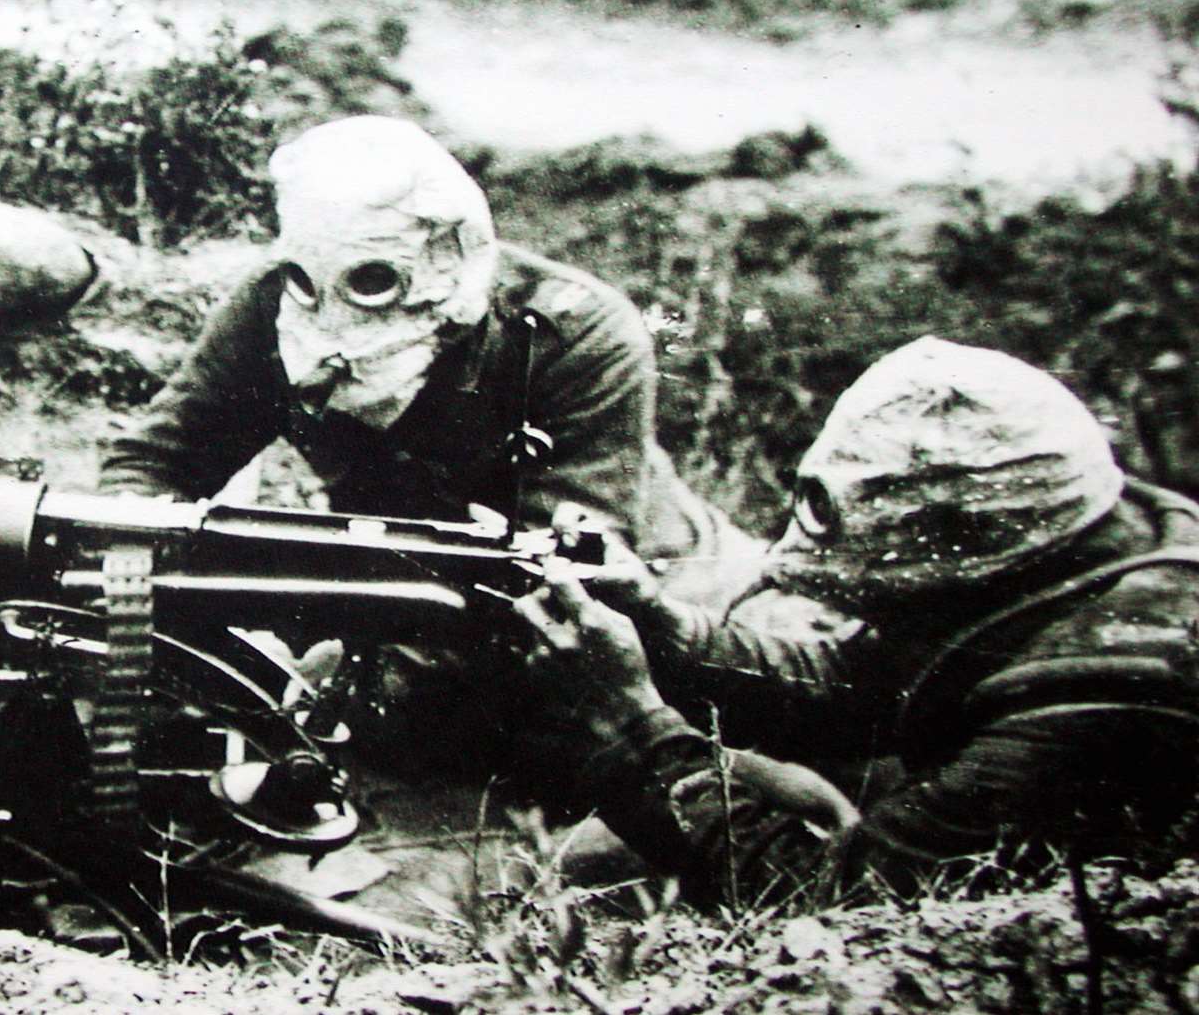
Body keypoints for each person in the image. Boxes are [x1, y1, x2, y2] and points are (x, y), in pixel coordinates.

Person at [513, 337, 1199, 905]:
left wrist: (629, 729)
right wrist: (665, 632)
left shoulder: (1118, 683)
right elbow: (868, 679)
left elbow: (838, 902)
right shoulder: (1082, 531)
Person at [98, 115, 753, 605]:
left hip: (667, 583)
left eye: (376, 280)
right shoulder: (274, 309)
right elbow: (161, 459)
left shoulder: (572, 333)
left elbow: (576, 566)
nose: (336, 315)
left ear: (448, 256)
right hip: (398, 575)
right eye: (308, 276)